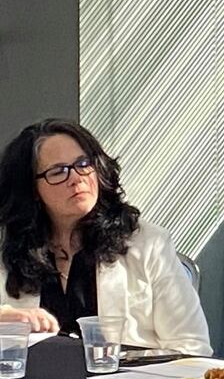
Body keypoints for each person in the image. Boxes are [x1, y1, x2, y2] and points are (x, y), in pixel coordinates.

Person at [0, 119, 210, 354]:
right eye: (58, 171)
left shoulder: (148, 243)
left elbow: (192, 347)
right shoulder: (11, 248)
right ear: (31, 189)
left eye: (83, 163)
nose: (77, 178)